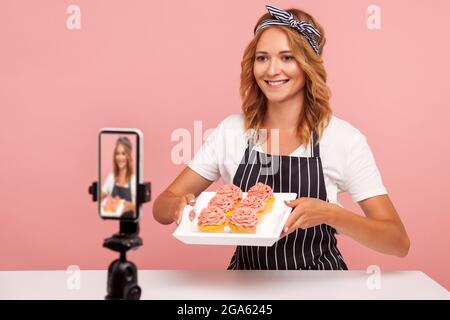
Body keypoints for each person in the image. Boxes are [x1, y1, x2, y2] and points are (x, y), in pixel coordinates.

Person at [153, 5, 410, 270]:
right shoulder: (231, 132)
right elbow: (161, 206)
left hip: (322, 285)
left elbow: (397, 242)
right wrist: (176, 207)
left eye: (287, 57)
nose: (272, 70)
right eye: (262, 58)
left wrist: (332, 214)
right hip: (245, 288)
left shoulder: (343, 139)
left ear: (308, 65)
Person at [101, 136, 137, 219]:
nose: (120, 157)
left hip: (130, 225)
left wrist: (125, 205)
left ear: (128, 156)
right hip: (111, 223)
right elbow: (101, 196)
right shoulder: (111, 178)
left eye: (123, 154)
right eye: (117, 154)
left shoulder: (134, 180)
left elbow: (138, 206)